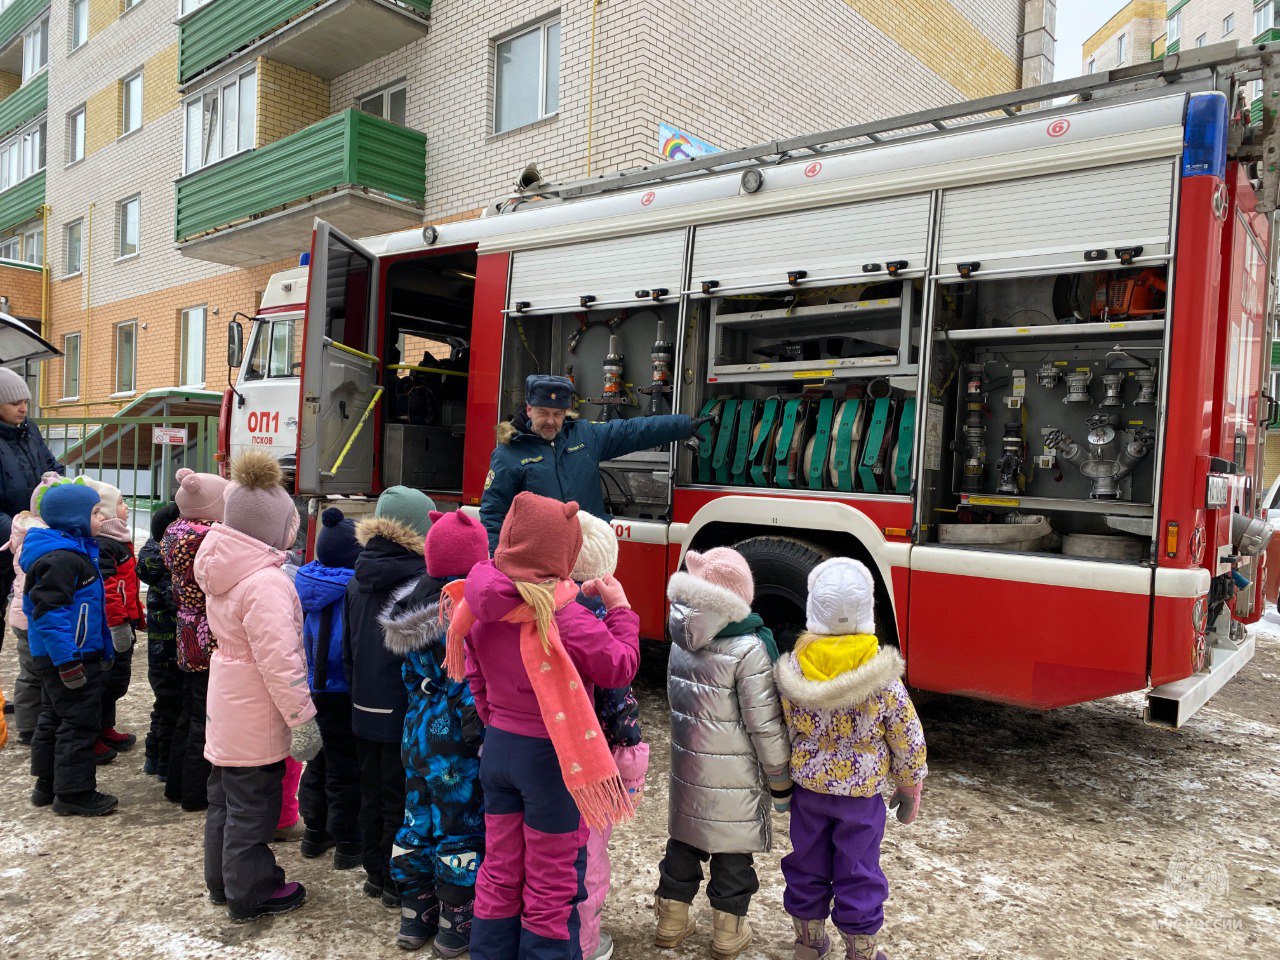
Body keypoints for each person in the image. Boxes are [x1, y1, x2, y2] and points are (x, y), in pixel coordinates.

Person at [444, 491, 640, 960]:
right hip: (550, 761)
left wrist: (497, 722)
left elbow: (475, 673)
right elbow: (620, 666)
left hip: (500, 750)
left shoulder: (478, 601)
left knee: (501, 868)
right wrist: (621, 610)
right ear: (563, 555)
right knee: (552, 881)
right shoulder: (565, 617)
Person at [773, 559, 927, 960]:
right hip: (861, 799)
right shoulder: (882, 678)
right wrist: (910, 783)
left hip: (808, 793)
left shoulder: (794, 670)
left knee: (807, 863)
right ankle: (860, 949)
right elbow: (906, 735)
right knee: (858, 870)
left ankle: (808, 943)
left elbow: (783, 729)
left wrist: (777, 776)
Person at [194, 451, 321, 923]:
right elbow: (280, 661)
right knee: (253, 807)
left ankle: (222, 880)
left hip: (228, 698)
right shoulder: (265, 582)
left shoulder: (223, 566)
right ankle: (251, 890)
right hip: (256, 708)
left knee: (224, 799)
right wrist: (302, 719)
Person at [654, 547, 792, 960]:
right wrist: (780, 777)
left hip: (688, 769)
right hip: (735, 781)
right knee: (732, 853)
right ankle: (729, 933)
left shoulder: (680, 641)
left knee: (683, 844)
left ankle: (671, 922)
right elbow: (763, 724)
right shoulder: (749, 650)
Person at [379, 509, 488, 954]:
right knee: (457, 828)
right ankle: (454, 919)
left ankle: (414, 913)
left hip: (415, 737)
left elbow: (411, 681)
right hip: (454, 751)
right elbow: (469, 688)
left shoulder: (413, 607)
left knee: (415, 822)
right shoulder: (466, 613)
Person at [478, 374, 708, 551]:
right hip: (541, 563)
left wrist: (683, 425)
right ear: (529, 410)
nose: (550, 421)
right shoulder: (509, 454)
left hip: (589, 557)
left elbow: (633, 431)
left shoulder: (585, 436)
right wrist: (496, 564)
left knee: (592, 614)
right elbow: (494, 514)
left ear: (566, 411)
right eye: (542, 413)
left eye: (557, 414)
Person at [345, 485, 435, 909]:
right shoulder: (420, 580)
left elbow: (347, 647)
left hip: (363, 705)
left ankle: (374, 873)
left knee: (371, 791)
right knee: (402, 798)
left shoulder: (357, 577)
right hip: (403, 710)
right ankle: (398, 881)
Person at [570, 510, 649, 960]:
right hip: (594, 763)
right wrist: (632, 759)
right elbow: (619, 700)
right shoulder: (603, 626)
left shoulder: (543, 610)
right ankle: (584, 941)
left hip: (543, 757)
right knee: (589, 854)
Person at [24, 482, 117, 816]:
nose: (102, 516)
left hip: (64, 653)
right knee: (80, 722)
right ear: (73, 518)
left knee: (54, 716)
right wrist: (68, 660)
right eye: (94, 512)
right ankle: (74, 793)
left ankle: (47, 785)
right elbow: (48, 613)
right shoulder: (62, 559)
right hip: (69, 656)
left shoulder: (73, 549)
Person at [294, 507, 363, 871]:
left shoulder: (307, 581)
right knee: (345, 768)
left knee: (318, 763)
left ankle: (314, 831)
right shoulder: (350, 587)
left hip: (312, 686)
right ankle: (349, 842)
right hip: (340, 688)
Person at [161, 468, 230, 811]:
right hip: (207, 629)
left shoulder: (174, 531)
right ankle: (194, 792)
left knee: (189, 708)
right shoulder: (209, 538)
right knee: (206, 714)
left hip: (185, 625)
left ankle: (175, 783)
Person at [0, 366, 63, 656]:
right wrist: (17, 530)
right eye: (15, 403)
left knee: (32, 618)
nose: (24, 409)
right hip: (8, 542)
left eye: (26, 402)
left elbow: (52, 466)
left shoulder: (30, 430)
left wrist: (60, 485)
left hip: (32, 541)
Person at [83, 478, 143, 759]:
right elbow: (109, 590)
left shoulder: (119, 538)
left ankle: (106, 727)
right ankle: (93, 734)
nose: (127, 506)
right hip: (112, 626)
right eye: (121, 502)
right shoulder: (106, 544)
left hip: (124, 621)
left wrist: (137, 616)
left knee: (117, 680)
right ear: (104, 512)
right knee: (106, 681)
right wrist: (119, 623)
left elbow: (128, 585)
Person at [5, 472, 62, 746]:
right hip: (31, 620)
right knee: (33, 673)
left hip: (25, 618)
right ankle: (28, 726)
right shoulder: (41, 542)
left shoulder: (32, 535)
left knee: (33, 672)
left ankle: (33, 720)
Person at [137, 502, 182, 780]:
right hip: (172, 653)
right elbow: (179, 603)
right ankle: (166, 764)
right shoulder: (169, 572)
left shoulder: (152, 560)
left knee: (163, 705)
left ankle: (153, 758)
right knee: (173, 709)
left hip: (159, 655)